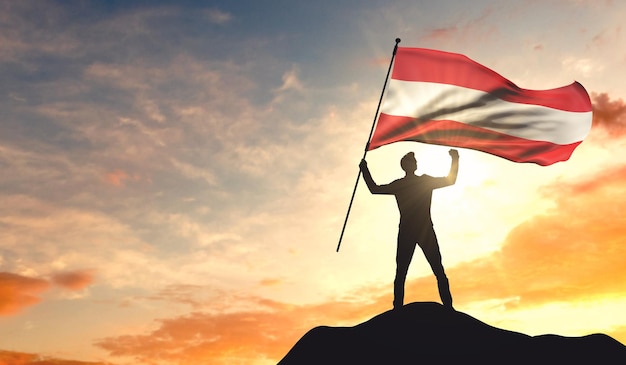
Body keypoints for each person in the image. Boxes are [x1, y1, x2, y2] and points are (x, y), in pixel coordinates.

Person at [359, 149, 459, 310]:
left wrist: (365, 170)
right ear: (408, 166)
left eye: (413, 162)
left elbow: (450, 180)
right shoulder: (413, 183)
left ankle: (447, 307)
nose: (414, 164)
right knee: (406, 272)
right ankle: (399, 307)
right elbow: (375, 189)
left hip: (419, 229)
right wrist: (365, 170)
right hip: (415, 230)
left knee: (433, 269)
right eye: (411, 162)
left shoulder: (410, 183)